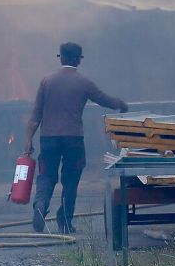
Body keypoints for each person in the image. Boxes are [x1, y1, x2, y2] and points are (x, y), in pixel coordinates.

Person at [24, 42, 128, 234]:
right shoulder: (84, 83)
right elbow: (103, 99)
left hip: (48, 138)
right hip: (73, 139)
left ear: (61, 57)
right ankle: (64, 221)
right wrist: (120, 104)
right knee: (71, 180)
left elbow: (35, 114)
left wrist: (29, 139)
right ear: (78, 60)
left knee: (46, 175)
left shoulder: (46, 81)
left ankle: (40, 202)